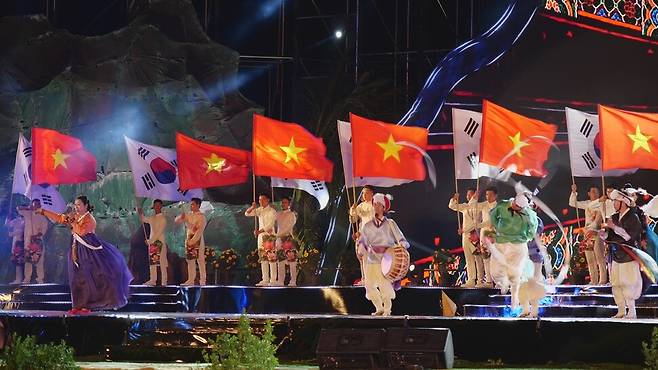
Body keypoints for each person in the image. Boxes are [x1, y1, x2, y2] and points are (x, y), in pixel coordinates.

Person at [37, 195, 132, 314]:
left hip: (89, 251)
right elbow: (60, 218)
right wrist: (43, 212)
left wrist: (71, 221)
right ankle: (78, 304)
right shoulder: (75, 217)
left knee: (89, 277)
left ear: (86, 205)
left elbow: (81, 231)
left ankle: (89, 304)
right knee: (75, 277)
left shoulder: (90, 219)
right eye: (75, 205)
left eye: (79, 205)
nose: (76, 207)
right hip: (75, 249)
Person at [357, 193, 409, 316]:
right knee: (369, 285)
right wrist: (360, 250)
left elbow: (400, 238)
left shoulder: (390, 223)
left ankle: (387, 310)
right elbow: (363, 241)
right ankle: (379, 307)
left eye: (378, 204)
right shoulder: (368, 225)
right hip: (371, 258)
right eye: (374, 204)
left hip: (386, 259)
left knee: (384, 285)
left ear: (383, 207)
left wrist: (402, 246)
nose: (375, 207)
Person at [485, 192, 539, 311]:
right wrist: (493, 230)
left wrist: (525, 238)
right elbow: (492, 215)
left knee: (515, 276)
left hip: (517, 245)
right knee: (495, 271)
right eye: (514, 204)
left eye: (518, 207)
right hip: (501, 242)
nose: (514, 207)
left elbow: (533, 230)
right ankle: (504, 282)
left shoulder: (529, 214)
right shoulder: (503, 205)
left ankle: (515, 304)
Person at [600, 189, 643, 319]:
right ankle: (621, 310)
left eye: (615, 201)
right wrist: (603, 233)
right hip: (615, 254)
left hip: (628, 255)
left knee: (628, 282)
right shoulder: (613, 217)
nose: (613, 203)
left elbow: (630, 237)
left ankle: (632, 311)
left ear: (622, 202)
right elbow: (610, 236)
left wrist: (614, 228)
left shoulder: (633, 217)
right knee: (616, 283)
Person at [570, 184, 607, 285]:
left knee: (599, 257)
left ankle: (603, 280)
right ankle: (594, 280)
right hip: (588, 233)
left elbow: (599, 219)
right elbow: (573, 203)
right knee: (590, 259)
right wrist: (574, 192)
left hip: (598, 232)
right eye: (593, 192)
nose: (595, 193)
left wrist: (593, 229)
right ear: (589, 194)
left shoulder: (602, 203)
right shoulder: (587, 204)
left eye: (596, 192)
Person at [448, 187, 483, 287]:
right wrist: (455, 198)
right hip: (465, 236)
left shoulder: (479, 206)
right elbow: (452, 206)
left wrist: (464, 230)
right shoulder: (465, 207)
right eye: (467, 195)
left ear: (474, 195)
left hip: (474, 235)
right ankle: (471, 279)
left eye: (469, 194)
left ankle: (480, 280)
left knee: (478, 259)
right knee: (469, 259)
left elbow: (476, 223)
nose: (467, 196)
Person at [245, 194, 277, 286]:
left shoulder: (272, 211)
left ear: (267, 200)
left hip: (269, 236)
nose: (260, 202)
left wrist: (260, 231)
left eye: (262, 200)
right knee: (263, 258)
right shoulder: (259, 210)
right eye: (259, 200)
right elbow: (247, 214)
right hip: (261, 237)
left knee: (271, 258)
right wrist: (252, 207)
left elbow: (270, 225)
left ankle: (273, 280)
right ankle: (265, 279)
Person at [175, 198, 207, 286]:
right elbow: (177, 221)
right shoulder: (188, 215)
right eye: (191, 204)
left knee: (200, 260)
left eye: (193, 204)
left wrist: (193, 241)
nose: (191, 206)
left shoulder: (202, 217)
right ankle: (191, 279)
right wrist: (181, 217)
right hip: (189, 239)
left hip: (198, 240)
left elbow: (200, 231)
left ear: (198, 205)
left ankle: (203, 280)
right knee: (190, 260)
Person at [17, 199, 49, 284]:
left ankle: (40, 279)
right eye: (34, 205)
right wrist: (28, 207)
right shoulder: (27, 213)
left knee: (39, 260)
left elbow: (44, 229)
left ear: (40, 206)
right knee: (28, 260)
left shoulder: (42, 217)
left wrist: (37, 236)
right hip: (27, 241)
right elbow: (18, 208)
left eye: (37, 205)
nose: (35, 206)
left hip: (37, 241)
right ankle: (27, 279)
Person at [138, 199, 168, 286]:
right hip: (153, 242)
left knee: (162, 262)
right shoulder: (152, 218)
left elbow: (159, 232)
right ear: (153, 207)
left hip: (159, 242)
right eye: (155, 205)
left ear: (161, 206)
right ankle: (153, 280)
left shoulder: (163, 219)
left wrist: (150, 240)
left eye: (159, 205)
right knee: (153, 262)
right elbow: (144, 219)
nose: (157, 207)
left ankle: (164, 281)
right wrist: (140, 212)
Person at [349, 185, 375, 285]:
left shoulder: (375, 204)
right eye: (363, 193)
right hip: (362, 236)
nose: (364, 195)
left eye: (366, 193)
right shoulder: (361, 205)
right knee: (362, 258)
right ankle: (364, 278)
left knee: (371, 259)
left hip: (372, 236)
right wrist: (352, 210)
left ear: (371, 193)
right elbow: (354, 219)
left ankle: (371, 280)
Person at [477, 186, 498, 288]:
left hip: (494, 233)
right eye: (486, 195)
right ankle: (489, 281)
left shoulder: (498, 207)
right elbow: (471, 206)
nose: (487, 197)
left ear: (495, 195)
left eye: (490, 195)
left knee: (495, 257)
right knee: (485, 257)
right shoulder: (483, 205)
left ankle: (498, 281)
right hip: (484, 233)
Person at [275, 197, 298, 286]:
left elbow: (289, 227)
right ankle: (280, 281)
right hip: (279, 239)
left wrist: (279, 235)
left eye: (285, 202)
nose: (283, 204)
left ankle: (293, 281)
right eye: (282, 202)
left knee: (291, 261)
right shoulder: (279, 214)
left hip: (287, 238)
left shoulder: (291, 214)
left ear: (289, 204)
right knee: (280, 261)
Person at [5, 212, 24, 284]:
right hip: (17, 243)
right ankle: (18, 279)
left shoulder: (26, 220)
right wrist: (8, 217)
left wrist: (13, 232)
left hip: (22, 243)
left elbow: (19, 232)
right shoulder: (16, 220)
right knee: (17, 261)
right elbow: (7, 225)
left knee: (20, 261)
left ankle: (20, 279)